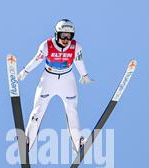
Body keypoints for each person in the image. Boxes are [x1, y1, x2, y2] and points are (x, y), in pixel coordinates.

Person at [17, 19, 93, 153]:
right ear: (57, 34)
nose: (66, 39)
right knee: (37, 110)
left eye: (69, 36)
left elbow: (79, 61)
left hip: (67, 79)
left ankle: (78, 142)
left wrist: (84, 75)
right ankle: (28, 140)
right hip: (48, 79)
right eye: (63, 35)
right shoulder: (46, 46)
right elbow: (36, 60)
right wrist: (25, 71)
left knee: (72, 110)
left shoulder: (76, 47)